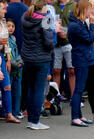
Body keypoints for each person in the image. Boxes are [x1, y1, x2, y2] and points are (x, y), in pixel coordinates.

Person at [68, 0, 94, 127]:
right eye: (89, 9)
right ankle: (75, 117)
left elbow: (88, 39)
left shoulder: (80, 23)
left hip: (86, 57)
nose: (92, 11)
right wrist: (93, 25)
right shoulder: (75, 25)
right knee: (79, 89)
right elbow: (89, 39)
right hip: (81, 59)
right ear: (84, 10)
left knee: (83, 87)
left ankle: (79, 115)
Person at [22, 0, 54, 130]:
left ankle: (31, 120)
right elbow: (48, 42)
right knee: (39, 91)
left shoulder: (25, 17)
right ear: (43, 7)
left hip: (28, 57)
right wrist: (53, 31)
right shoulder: (45, 20)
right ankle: (35, 121)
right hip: (41, 58)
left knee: (31, 89)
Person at [53, 0, 76, 100]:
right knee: (56, 71)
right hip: (56, 43)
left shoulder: (74, 5)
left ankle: (74, 97)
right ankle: (55, 96)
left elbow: (76, 22)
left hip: (69, 43)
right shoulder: (53, 6)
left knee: (71, 70)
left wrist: (67, 33)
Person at [7, 18, 23, 120]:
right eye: (8, 26)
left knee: (17, 90)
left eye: (13, 26)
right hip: (10, 66)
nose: (11, 28)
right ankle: (7, 111)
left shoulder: (13, 38)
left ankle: (16, 111)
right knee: (8, 89)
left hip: (17, 67)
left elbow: (16, 53)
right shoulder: (4, 39)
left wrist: (20, 62)